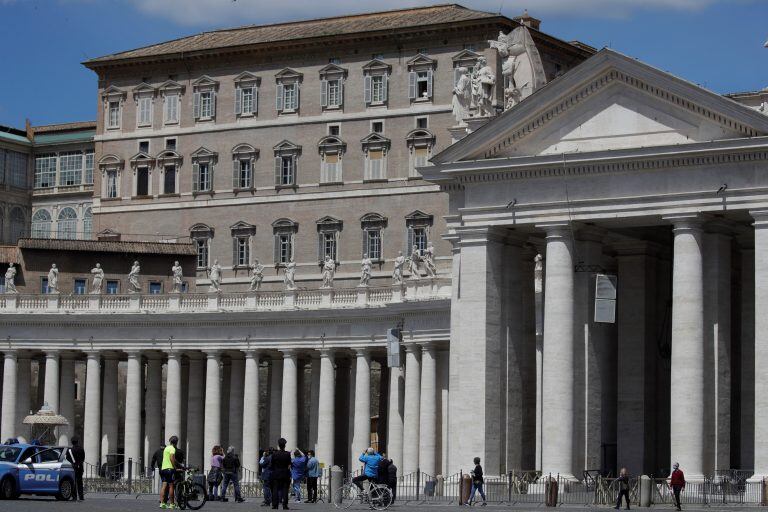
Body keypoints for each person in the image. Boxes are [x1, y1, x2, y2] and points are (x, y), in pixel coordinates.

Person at [271, 438, 292, 510]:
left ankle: (275, 505)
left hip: (276, 473)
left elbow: (272, 464)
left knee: (275, 489)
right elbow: (289, 464)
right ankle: (285, 505)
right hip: (285, 474)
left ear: (278, 445)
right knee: (285, 490)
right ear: (284, 445)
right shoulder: (287, 454)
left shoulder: (274, 454)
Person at [160, 435, 179, 509]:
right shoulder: (172, 449)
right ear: (176, 442)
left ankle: (162, 503)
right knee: (171, 486)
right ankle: (172, 504)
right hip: (169, 469)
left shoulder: (166, 448)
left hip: (163, 468)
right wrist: (175, 467)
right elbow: (172, 458)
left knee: (164, 486)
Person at [69, 436, 85, 501]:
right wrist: (79, 463)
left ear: (72, 442)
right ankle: (81, 496)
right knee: (80, 482)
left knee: (73, 482)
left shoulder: (70, 450)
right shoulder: (81, 449)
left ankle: (74, 497)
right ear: (77, 442)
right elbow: (83, 458)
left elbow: (68, 458)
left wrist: (73, 463)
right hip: (80, 467)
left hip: (73, 467)